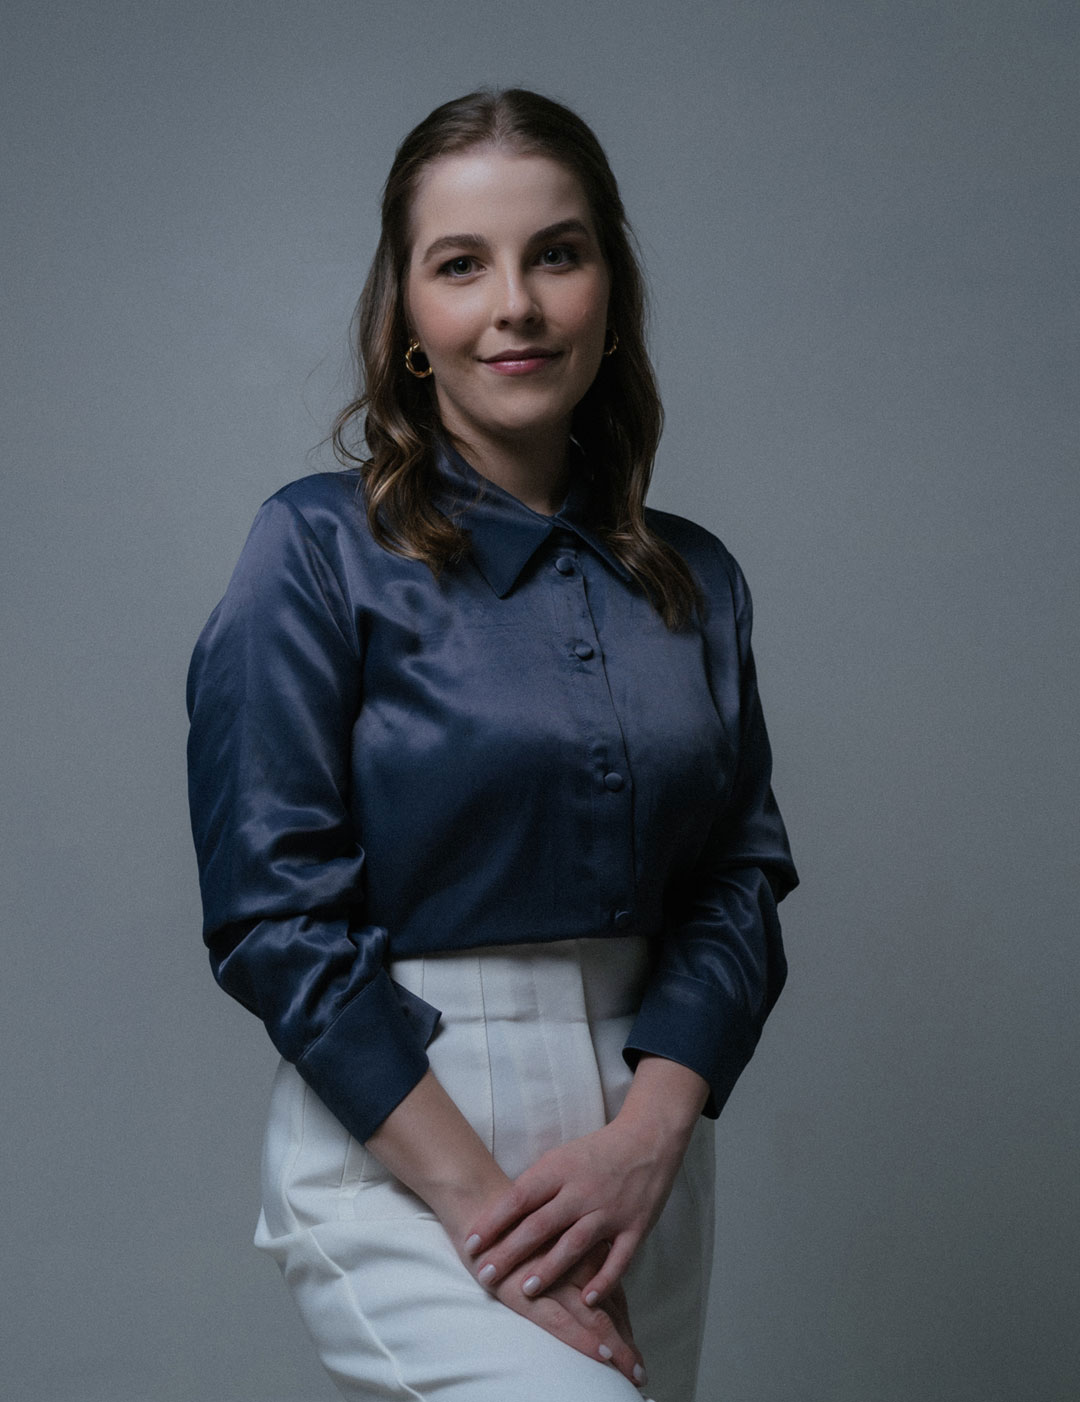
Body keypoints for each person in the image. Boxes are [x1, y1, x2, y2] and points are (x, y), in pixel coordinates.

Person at [186, 88, 798, 1402]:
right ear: (407, 319)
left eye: (555, 254)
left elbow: (739, 883)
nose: (514, 304)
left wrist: (649, 1135)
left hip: (643, 1162)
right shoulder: (312, 551)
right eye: (461, 264)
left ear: (611, 294)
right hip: (407, 1148)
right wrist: (476, 1205)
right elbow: (271, 915)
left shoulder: (699, 578)